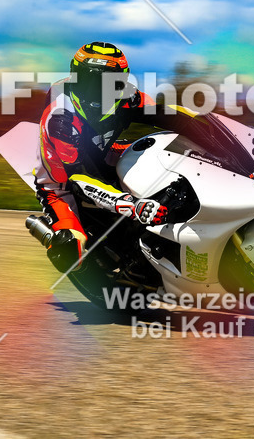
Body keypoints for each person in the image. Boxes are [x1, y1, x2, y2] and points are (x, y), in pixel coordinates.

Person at [25, 41, 198, 275]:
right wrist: (133, 206)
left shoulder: (127, 96)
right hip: (62, 184)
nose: (99, 91)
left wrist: (207, 125)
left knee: (165, 157)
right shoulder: (61, 118)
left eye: (111, 83)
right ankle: (56, 237)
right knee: (70, 247)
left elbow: (167, 113)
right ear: (75, 77)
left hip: (105, 154)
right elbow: (79, 179)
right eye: (90, 83)